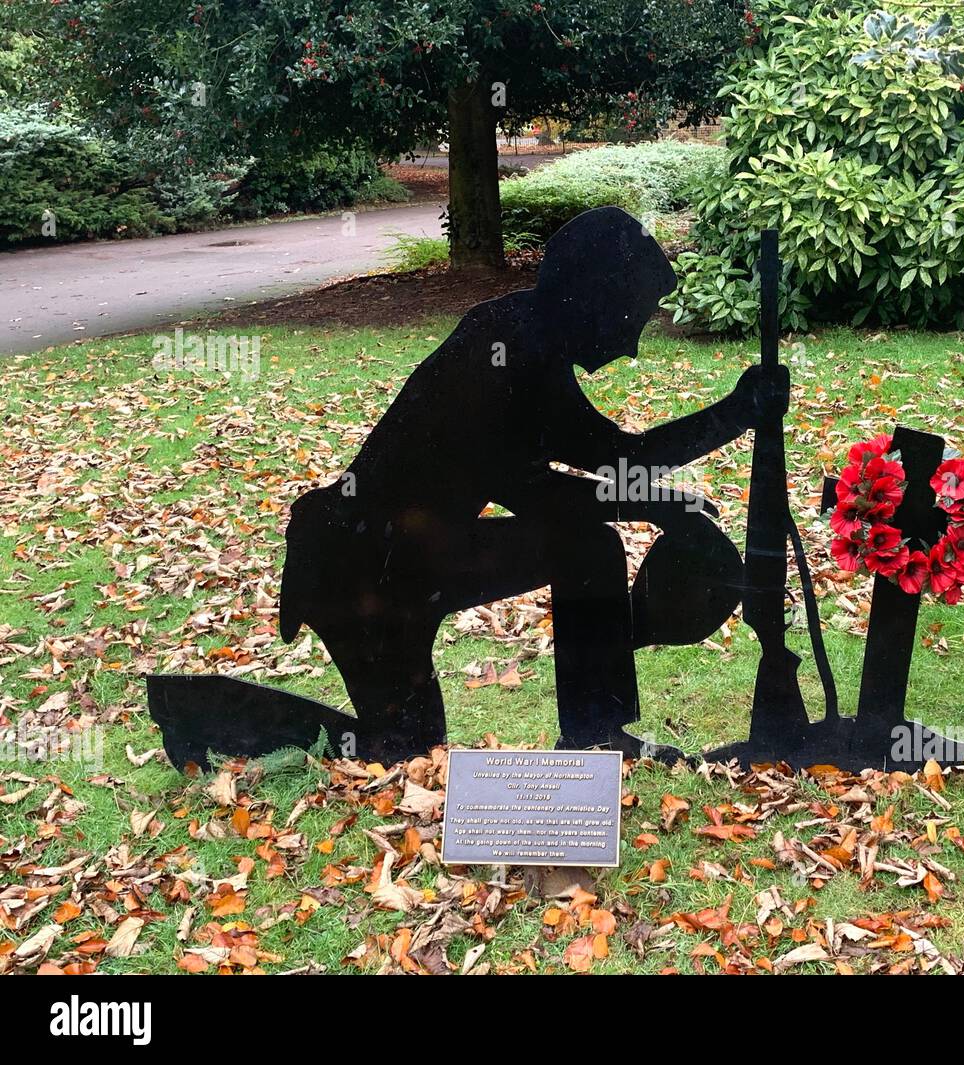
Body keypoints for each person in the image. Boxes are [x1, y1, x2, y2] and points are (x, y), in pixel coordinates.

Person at [279, 207, 787, 760]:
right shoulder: (500, 349)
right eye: (629, 318)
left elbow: (619, 457)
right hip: (363, 565)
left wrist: (735, 414)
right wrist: (664, 502)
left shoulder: (527, 337)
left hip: (408, 551)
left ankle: (596, 734)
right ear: (592, 296)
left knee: (586, 549)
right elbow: (535, 492)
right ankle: (231, 724)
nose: (631, 346)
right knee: (405, 747)